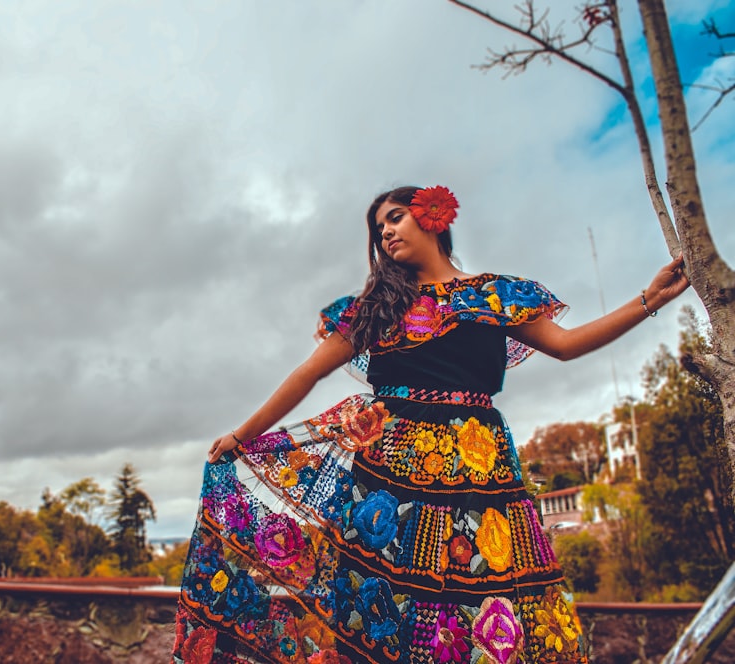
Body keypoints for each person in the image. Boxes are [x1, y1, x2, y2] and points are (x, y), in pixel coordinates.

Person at [172, 184, 689, 663]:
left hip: (478, 466)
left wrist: (650, 300)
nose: (386, 233)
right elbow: (307, 374)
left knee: (485, 594)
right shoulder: (375, 308)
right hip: (390, 476)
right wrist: (242, 435)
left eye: (395, 218)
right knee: (384, 607)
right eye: (378, 229)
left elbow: (568, 345)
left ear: (433, 218)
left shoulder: (496, 296)